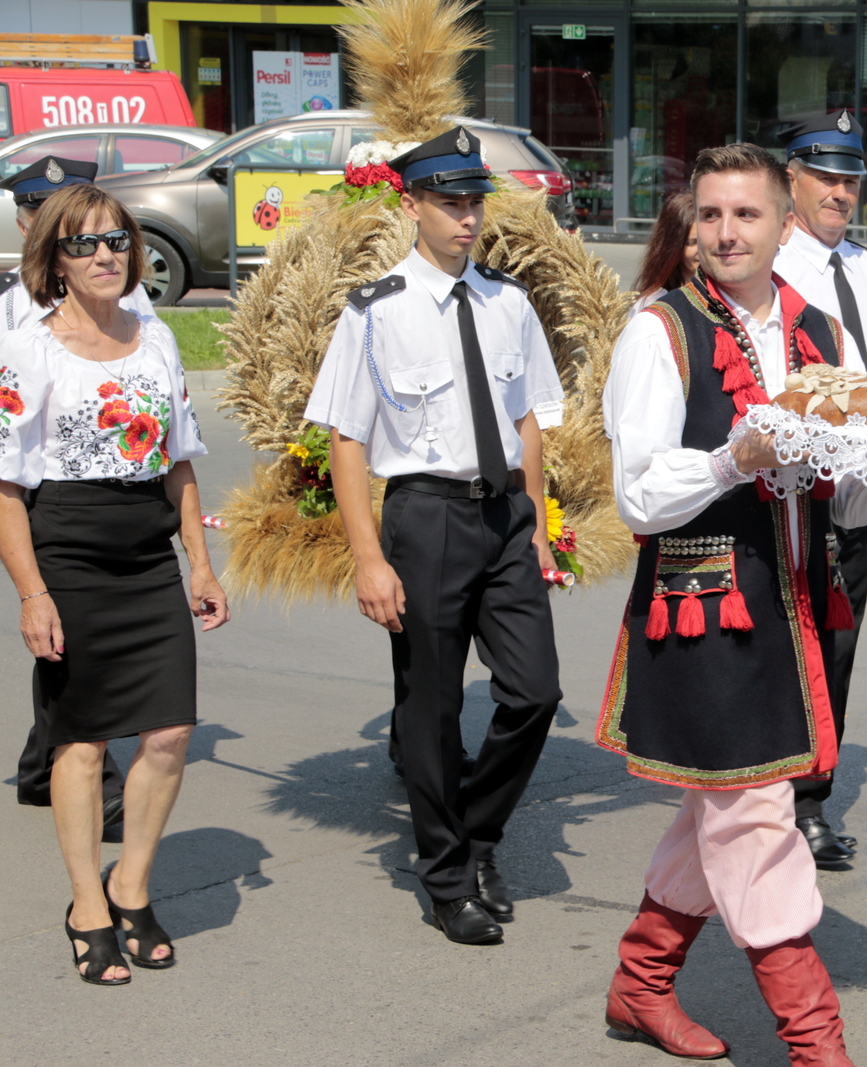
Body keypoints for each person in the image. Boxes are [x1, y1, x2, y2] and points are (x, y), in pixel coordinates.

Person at [598, 142, 867, 1066]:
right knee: (754, 818)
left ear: (785, 224)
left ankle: (640, 983)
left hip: (798, 600)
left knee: (729, 808)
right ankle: (818, 1043)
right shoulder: (659, 330)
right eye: (710, 215)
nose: (727, 232)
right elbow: (640, 497)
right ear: (690, 228)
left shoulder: (821, 331)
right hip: (705, 609)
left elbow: (848, 494)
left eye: (746, 214)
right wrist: (734, 458)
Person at [304, 125, 566, 946]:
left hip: (504, 516)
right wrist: (369, 557)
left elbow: (527, 419)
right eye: (449, 202)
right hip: (424, 518)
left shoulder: (508, 302)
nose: (465, 218)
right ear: (411, 203)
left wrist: (541, 523)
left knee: (534, 693)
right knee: (433, 706)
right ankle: (448, 874)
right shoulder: (375, 311)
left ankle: (477, 835)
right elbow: (347, 438)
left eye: (474, 201)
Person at [0, 182, 227, 984]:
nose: (105, 255)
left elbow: (179, 459)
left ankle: (129, 883)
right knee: (82, 736)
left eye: (116, 241)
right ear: (53, 260)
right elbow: (5, 487)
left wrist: (198, 560)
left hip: (146, 558)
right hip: (68, 553)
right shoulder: (30, 347)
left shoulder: (156, 338)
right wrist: (33, 593)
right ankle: (85, 905)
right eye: (84, 244)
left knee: (168, 732)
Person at [772, 111, 867, 868]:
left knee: (837, 644)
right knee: (778, 642)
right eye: (827, 177)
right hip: (783, 489)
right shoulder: (769, 265)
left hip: (856, 495)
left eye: (851, 179)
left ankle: (811, 796)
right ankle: (771, 793)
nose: (841, 192)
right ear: (792, 179)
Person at [2, 156, 156, 835]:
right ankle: (72, 764)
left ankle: (49, 763)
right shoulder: (11, 309)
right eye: (50, 213)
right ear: (26, 221)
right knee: (57, 636)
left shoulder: (127, 299)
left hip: (101, 499)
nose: (92, 247)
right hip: (31, 490)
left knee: (65, 645)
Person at [630, 191, 698, 318]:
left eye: (708, 240)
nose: (703, 250)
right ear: (672, 247)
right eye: (692, 243)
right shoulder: (654, 305)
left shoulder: (735, 296)